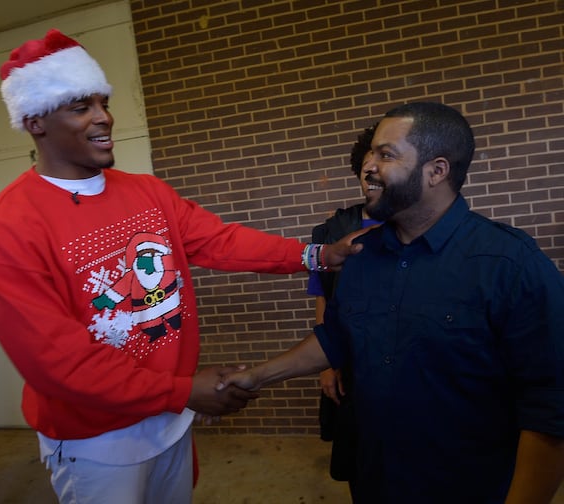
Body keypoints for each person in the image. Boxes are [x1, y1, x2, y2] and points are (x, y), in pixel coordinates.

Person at [0, 29, 363, 504]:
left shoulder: (146, 192)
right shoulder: (5, 229)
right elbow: (60, 365)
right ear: (35, 121)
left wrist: (317, 255)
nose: (104, 117)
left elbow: (220, 241)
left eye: (104, 102)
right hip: (97, 441)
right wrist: (182, 391)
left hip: (169, 420)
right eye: (81, 107)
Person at [218, 102, 564, 504]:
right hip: (376, 479)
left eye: (385, 154)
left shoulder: (510, 264)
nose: (368, 166)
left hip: (467, 487)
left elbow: (550, 408)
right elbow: (338, 337)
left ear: (437, 171)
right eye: (370, 154)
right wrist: (257, 376)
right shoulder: (361, 255)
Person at [308, 125, 381, 496]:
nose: (373, 171)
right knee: (360, 465)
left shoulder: (416, 228)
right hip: (352, 366)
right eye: (366, 166)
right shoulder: (333, 231)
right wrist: (327, 364)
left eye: (384, 160)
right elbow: (324, 297)